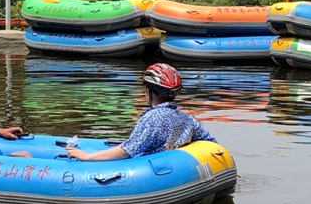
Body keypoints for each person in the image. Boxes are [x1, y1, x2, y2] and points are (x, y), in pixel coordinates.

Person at [66, 63, 216, 161]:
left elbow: (127, 150)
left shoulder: (152, 119)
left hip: (150, 171)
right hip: (173, 166)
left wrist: (87, 157)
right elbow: (210, 141)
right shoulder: (187, 119)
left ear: (148, 92)